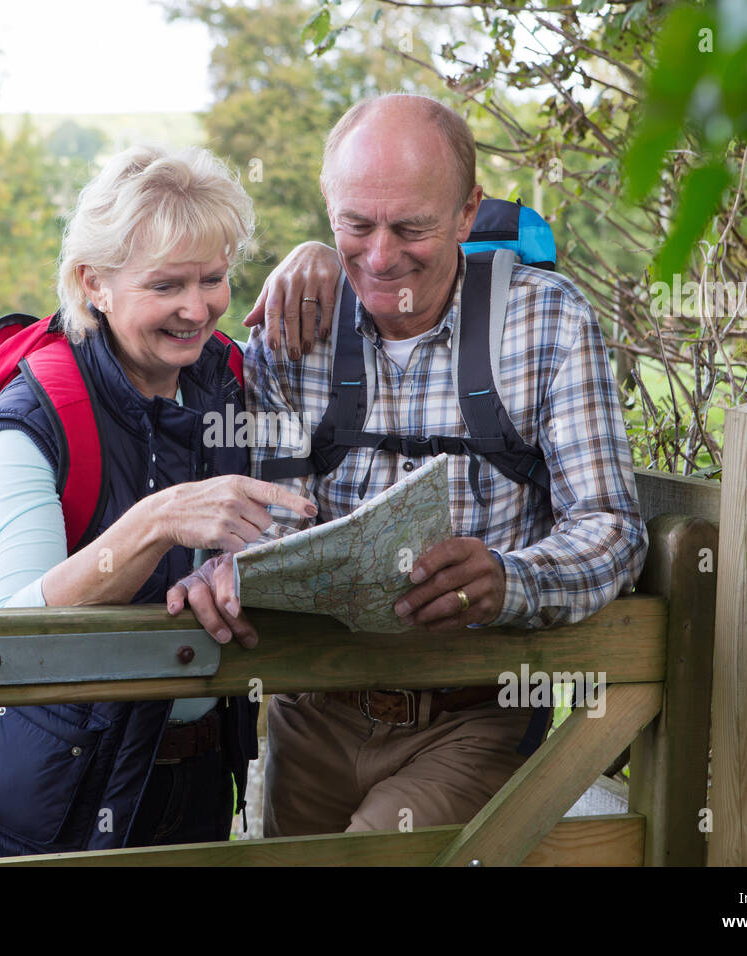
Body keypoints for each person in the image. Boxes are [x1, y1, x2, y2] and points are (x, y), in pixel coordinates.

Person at [167, 93, 648, 836]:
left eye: (412, 227)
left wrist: (510, 580)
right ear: (328, 211)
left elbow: (613, 528)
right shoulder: (293, 332)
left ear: (467, 213)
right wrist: (225, 566)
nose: (382, 257)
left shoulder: (548, 320)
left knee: (375, 854)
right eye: (355, 226)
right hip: (311, 706)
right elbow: (268, 519)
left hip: (478, 709)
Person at [0, 144, 317, 858]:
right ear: (93, 284)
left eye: (214, 278)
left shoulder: (227, 379)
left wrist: (317, 255)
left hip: (198, 771)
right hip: (57, 791)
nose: (197, 308)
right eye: (166, 285)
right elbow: (6, 632)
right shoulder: (36, 414)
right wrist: (157, 521)